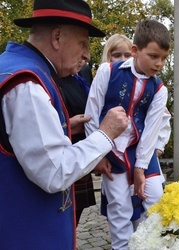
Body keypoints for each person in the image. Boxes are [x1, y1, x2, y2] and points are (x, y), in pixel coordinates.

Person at [0, 1, 128, 249]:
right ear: (57, 37)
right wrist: (106, 133)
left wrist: (64, 128)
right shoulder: (28, 84)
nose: (87, 55)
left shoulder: (12, 67)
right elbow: (54, 172)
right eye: (83, 43)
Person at [85, 20, 171, 250]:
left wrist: (141, 167)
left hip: (142, 150)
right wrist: (97, 155)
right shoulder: (107, 72)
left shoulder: (160, 89)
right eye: (153, 56)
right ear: (135, 51)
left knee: (154, 199)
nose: (159, 63)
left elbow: (152, 128)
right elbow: (92, 115)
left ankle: (147, 245)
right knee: (119, 207)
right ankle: (122, 247)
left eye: (163, 58)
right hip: (111, 150)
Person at [56, 61, 97, 225]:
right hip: (63, 155)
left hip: (83, 153)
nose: (84, 57)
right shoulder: (51, 75)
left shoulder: (84, 73)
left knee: (76, 213)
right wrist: (67, 125)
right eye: (80, 45)